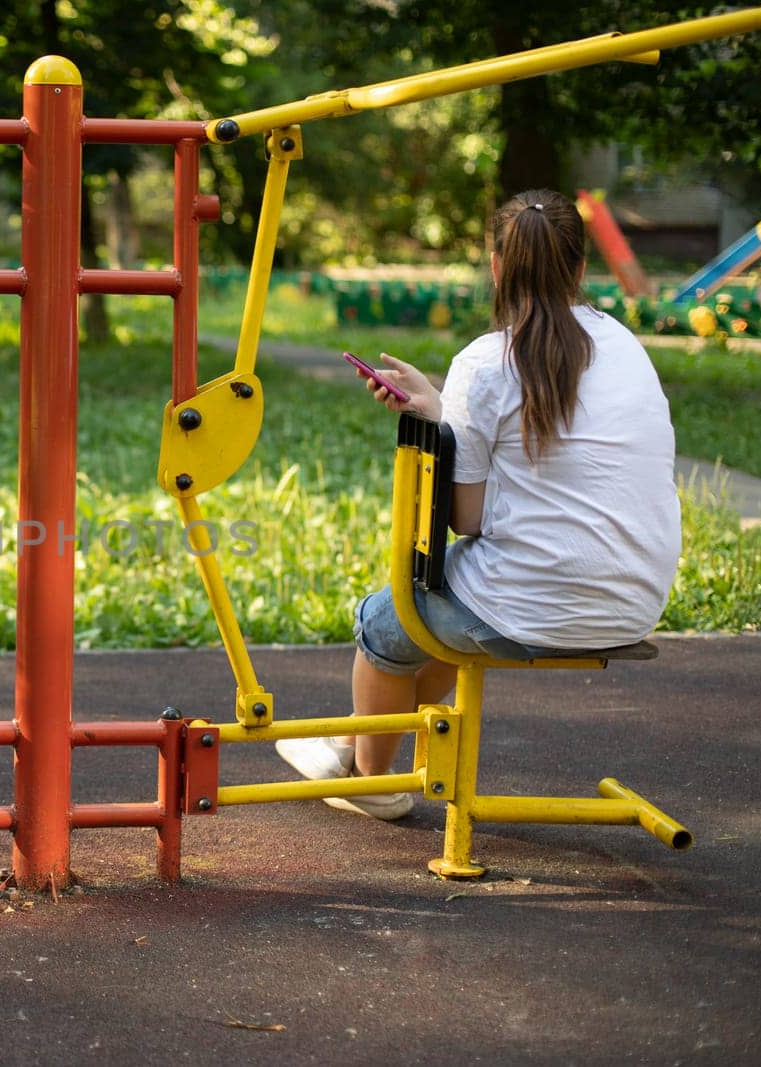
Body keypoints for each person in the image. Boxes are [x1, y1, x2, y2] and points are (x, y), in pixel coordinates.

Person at [277, 189, 681, 819]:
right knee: (444, 619)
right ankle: (362, 741)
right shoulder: (626, 347)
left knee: (391, 618)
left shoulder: (487, 360)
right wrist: (446, 408)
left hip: (534, 605)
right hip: (634, 602)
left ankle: (371, 779)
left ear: (496, 266)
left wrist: (451, 414)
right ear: (580, 269)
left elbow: (465, 519)